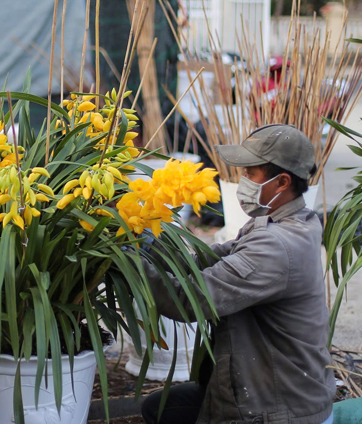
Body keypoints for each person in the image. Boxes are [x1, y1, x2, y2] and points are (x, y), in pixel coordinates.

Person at [141, 124, 334, 424]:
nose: (241, 180)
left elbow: (189, 299)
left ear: (282, 181)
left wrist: (127, 259)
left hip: (279, 410)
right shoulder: (289, 221)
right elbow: (205, 261)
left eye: (250, 174)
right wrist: (149, 241)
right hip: (272, 391)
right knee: (160, 407)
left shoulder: (276, 247)